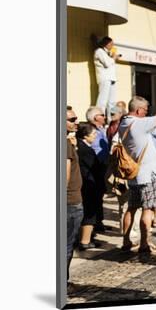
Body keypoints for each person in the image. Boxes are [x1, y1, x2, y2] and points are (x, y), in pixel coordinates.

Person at [118, 96, 156, 254]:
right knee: (147, 209)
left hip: (134, 173)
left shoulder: (124, 123)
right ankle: (144, 243)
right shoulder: (139, 123)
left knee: (132, 208)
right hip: (148, 174)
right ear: (138, 110)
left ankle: (126, 241)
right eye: (145, 110)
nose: (147, 113)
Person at [75, 123, 103, 250]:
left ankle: (84, 239)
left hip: (88, 183)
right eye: (93, 134)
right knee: (89, 213)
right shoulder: (84, 149)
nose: (95, 135)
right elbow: (93, 167)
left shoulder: (81, 146)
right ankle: (85, 241)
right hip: (89, 185)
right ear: (85, 136)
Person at [66, 107, 83, 286]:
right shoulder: (64, 144)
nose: (76, 122)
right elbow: (65, 175)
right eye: (72, 119)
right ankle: (63, 283)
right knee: (67, 245)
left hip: (71, 200)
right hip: (70, 201)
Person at [86, 106, 110, 232]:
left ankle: (99, 222)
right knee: (95, 197)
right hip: (95, 169)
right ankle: (94, 224)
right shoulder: (90, 131)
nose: (105, 117)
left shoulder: (100, 129)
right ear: (96, 118)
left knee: (99, 196)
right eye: (102, 115)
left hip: (102, 168)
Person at [94, 36, 121, 117]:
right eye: (111, 43)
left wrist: (113, 57)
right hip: (104, 78)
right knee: (102, 100)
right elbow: (107, 63)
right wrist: (113, 58)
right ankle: (99, 117)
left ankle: (111, 119)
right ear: (106, 43)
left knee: (112, 101)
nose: (112, 45)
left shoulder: (109, 53)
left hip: (112, 78)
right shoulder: (99, 51)